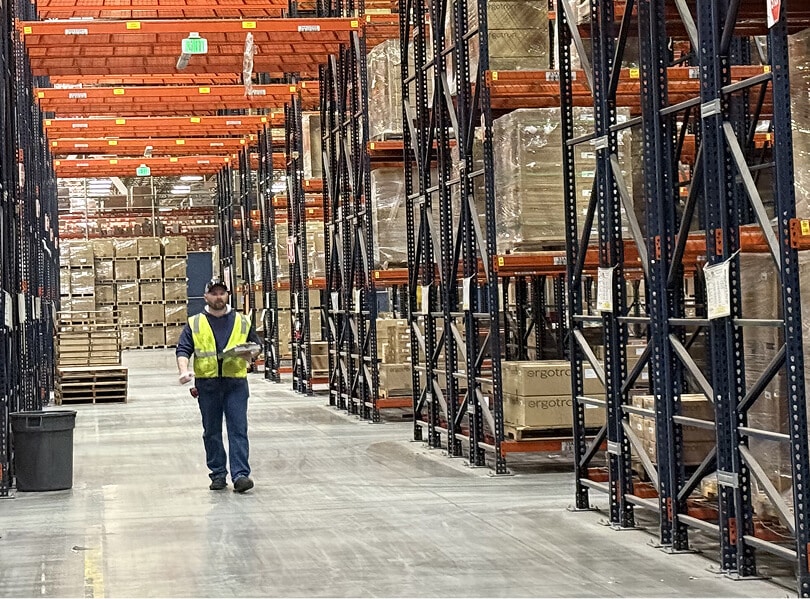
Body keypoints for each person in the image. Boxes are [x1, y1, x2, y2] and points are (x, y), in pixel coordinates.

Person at [176, 279, 261, 493]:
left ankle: (241, 475)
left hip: (235, 383)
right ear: (206, 297)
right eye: (213, 293)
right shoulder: (195, 323)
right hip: (208, 384)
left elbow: (256, 346)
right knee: (211, 431)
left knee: (238, 429)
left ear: (227, 295)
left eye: (222, 293)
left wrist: (251, 354)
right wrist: (183, 371)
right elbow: (183, 349)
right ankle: (218, 474)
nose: (218, 297)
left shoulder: (242, 321)